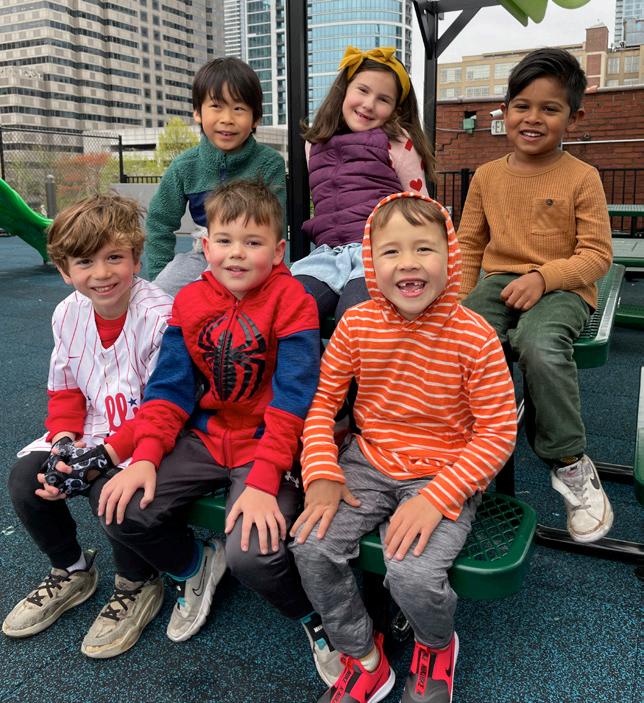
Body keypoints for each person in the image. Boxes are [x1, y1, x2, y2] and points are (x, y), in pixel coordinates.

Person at [91, 180, 342, 685]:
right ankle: (194, 565)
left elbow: (293, 399)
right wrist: (145, 455)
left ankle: (314, 617)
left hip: (265, 444)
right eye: (225, 240)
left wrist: (265, 478)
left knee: (253, 554)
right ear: (205, 247)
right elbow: (169, 388)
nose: (237, 253)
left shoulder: (292, 301)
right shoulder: (189, 302)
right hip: (205, 437)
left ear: (278, 251)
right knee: (117, 504)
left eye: (253, 242)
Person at [290, 191, 517, 703]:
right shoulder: (357, 324)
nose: (408, 262)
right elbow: (322, 403)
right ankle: (363, 656)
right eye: (391, 251)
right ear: (371, 261)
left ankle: (436, 645)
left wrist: (438, 498)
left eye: (424, 249)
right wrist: (321, 471)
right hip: (369, 461)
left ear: (450, 257)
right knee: (311, 546)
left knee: (412, 574)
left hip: (444, 469)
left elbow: (498, 430)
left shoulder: (474, 336)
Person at [2, 194, 173, 658]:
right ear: (64, 270)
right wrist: (63, 442)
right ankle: (73, 569)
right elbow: (67, 390)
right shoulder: (67, 312)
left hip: (150, 435)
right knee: (26, 479)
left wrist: (100, 458)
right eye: (84, 262)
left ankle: (137, 581)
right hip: (93, 428)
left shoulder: (160, 316)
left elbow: (163, 408)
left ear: (136, 257)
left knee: (110, 492)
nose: (101, 273)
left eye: (114, 257)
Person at [457, 47, 614, 544]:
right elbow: (468, 245)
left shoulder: (582, 177)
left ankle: (568, 461)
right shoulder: (487, 176)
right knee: (460, 338)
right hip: (498, 282)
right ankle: (468, 446)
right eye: (522, 106)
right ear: (505, 110)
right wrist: (459, 301)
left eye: (550, 108)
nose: (533, 118)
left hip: (564, 287)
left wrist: (545, 278)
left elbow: (597, 255)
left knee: (539, 345)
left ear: (574, 117)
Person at [291, 45, 436, 324]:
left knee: (355, 316)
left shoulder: (397, 143)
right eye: (363, 90)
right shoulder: (314, 144)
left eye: (383, 99)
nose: (369, 104)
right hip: (328, 255)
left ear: (395, 109)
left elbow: (420, 206)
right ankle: (306, 355)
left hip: (378, 253)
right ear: (344, 90)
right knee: (287, 306)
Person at [146, 57, 286, 297]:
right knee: (159, 294)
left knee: (276, 297)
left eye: (239, 108)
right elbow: (160, 221)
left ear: (255, 118)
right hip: (205, 251)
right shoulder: (185, 166)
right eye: (216, 106)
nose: (227, 119)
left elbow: (276, 225)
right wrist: (160, 271)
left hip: (251, 254)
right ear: (198, 112)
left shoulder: (268, 163)